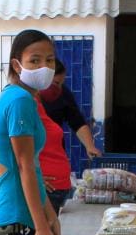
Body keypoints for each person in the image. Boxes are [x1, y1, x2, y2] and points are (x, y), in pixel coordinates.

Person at [0, 29, 62, 235]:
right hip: (15, 218)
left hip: (12, 216)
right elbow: (24, 166)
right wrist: (41, 228)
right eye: (35, 60)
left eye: (49, 60)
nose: (44, 67)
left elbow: (34, 168)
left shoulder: (18, 96)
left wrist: (50, 215)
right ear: (17, 65)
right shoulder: (20, 100)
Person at [38, 58, 102, 211]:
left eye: (60, 83)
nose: (57, 88)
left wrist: (89, 146)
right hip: (38, 178)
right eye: (55, 83)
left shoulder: (62, 94)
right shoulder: (22, 102)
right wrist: (33, 175)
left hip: (55, 182)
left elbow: (77, 122)